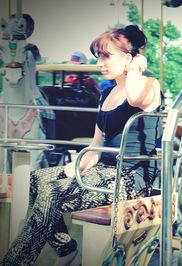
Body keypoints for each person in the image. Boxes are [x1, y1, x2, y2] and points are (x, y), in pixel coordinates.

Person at [1, 24, 162, 266]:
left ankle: (15, 261)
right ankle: (66, 249)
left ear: (128, 58)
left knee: (52, 192)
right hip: (104, 170)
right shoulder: (106, 94)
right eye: (99, 56)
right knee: (38, 179)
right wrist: (77, 166)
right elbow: (97, 144)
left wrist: (137, 68)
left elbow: (136, 98)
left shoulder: (149, 85)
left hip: (131, 175)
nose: (100, 63)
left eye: (106, 56)